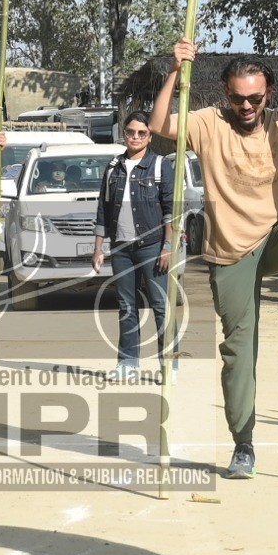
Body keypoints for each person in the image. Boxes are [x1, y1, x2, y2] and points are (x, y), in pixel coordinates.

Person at [151, 49, 278, 479]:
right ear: (227, 93)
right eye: (238, 98)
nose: (246, 106)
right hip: (230, 254)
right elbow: (159, 124)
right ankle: (243, 444)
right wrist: (176, 72)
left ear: (268, 93)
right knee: (239, 352)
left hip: (273, 238)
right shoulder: (209, 123)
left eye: (255, 99)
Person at [93, 111, 169, 376]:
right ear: (124, 134)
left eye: (141, 133)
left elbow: (171, 210)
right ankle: (127, 364)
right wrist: (98, 247)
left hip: (152, 246)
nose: (135, 137)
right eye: (130, 132)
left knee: (160, 306)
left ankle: (168, 363)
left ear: (149, 136)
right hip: (121, 248)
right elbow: (103, 209)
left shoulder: (160, 166)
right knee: (127, 306)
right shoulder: (113, 167)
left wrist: (168, 247)